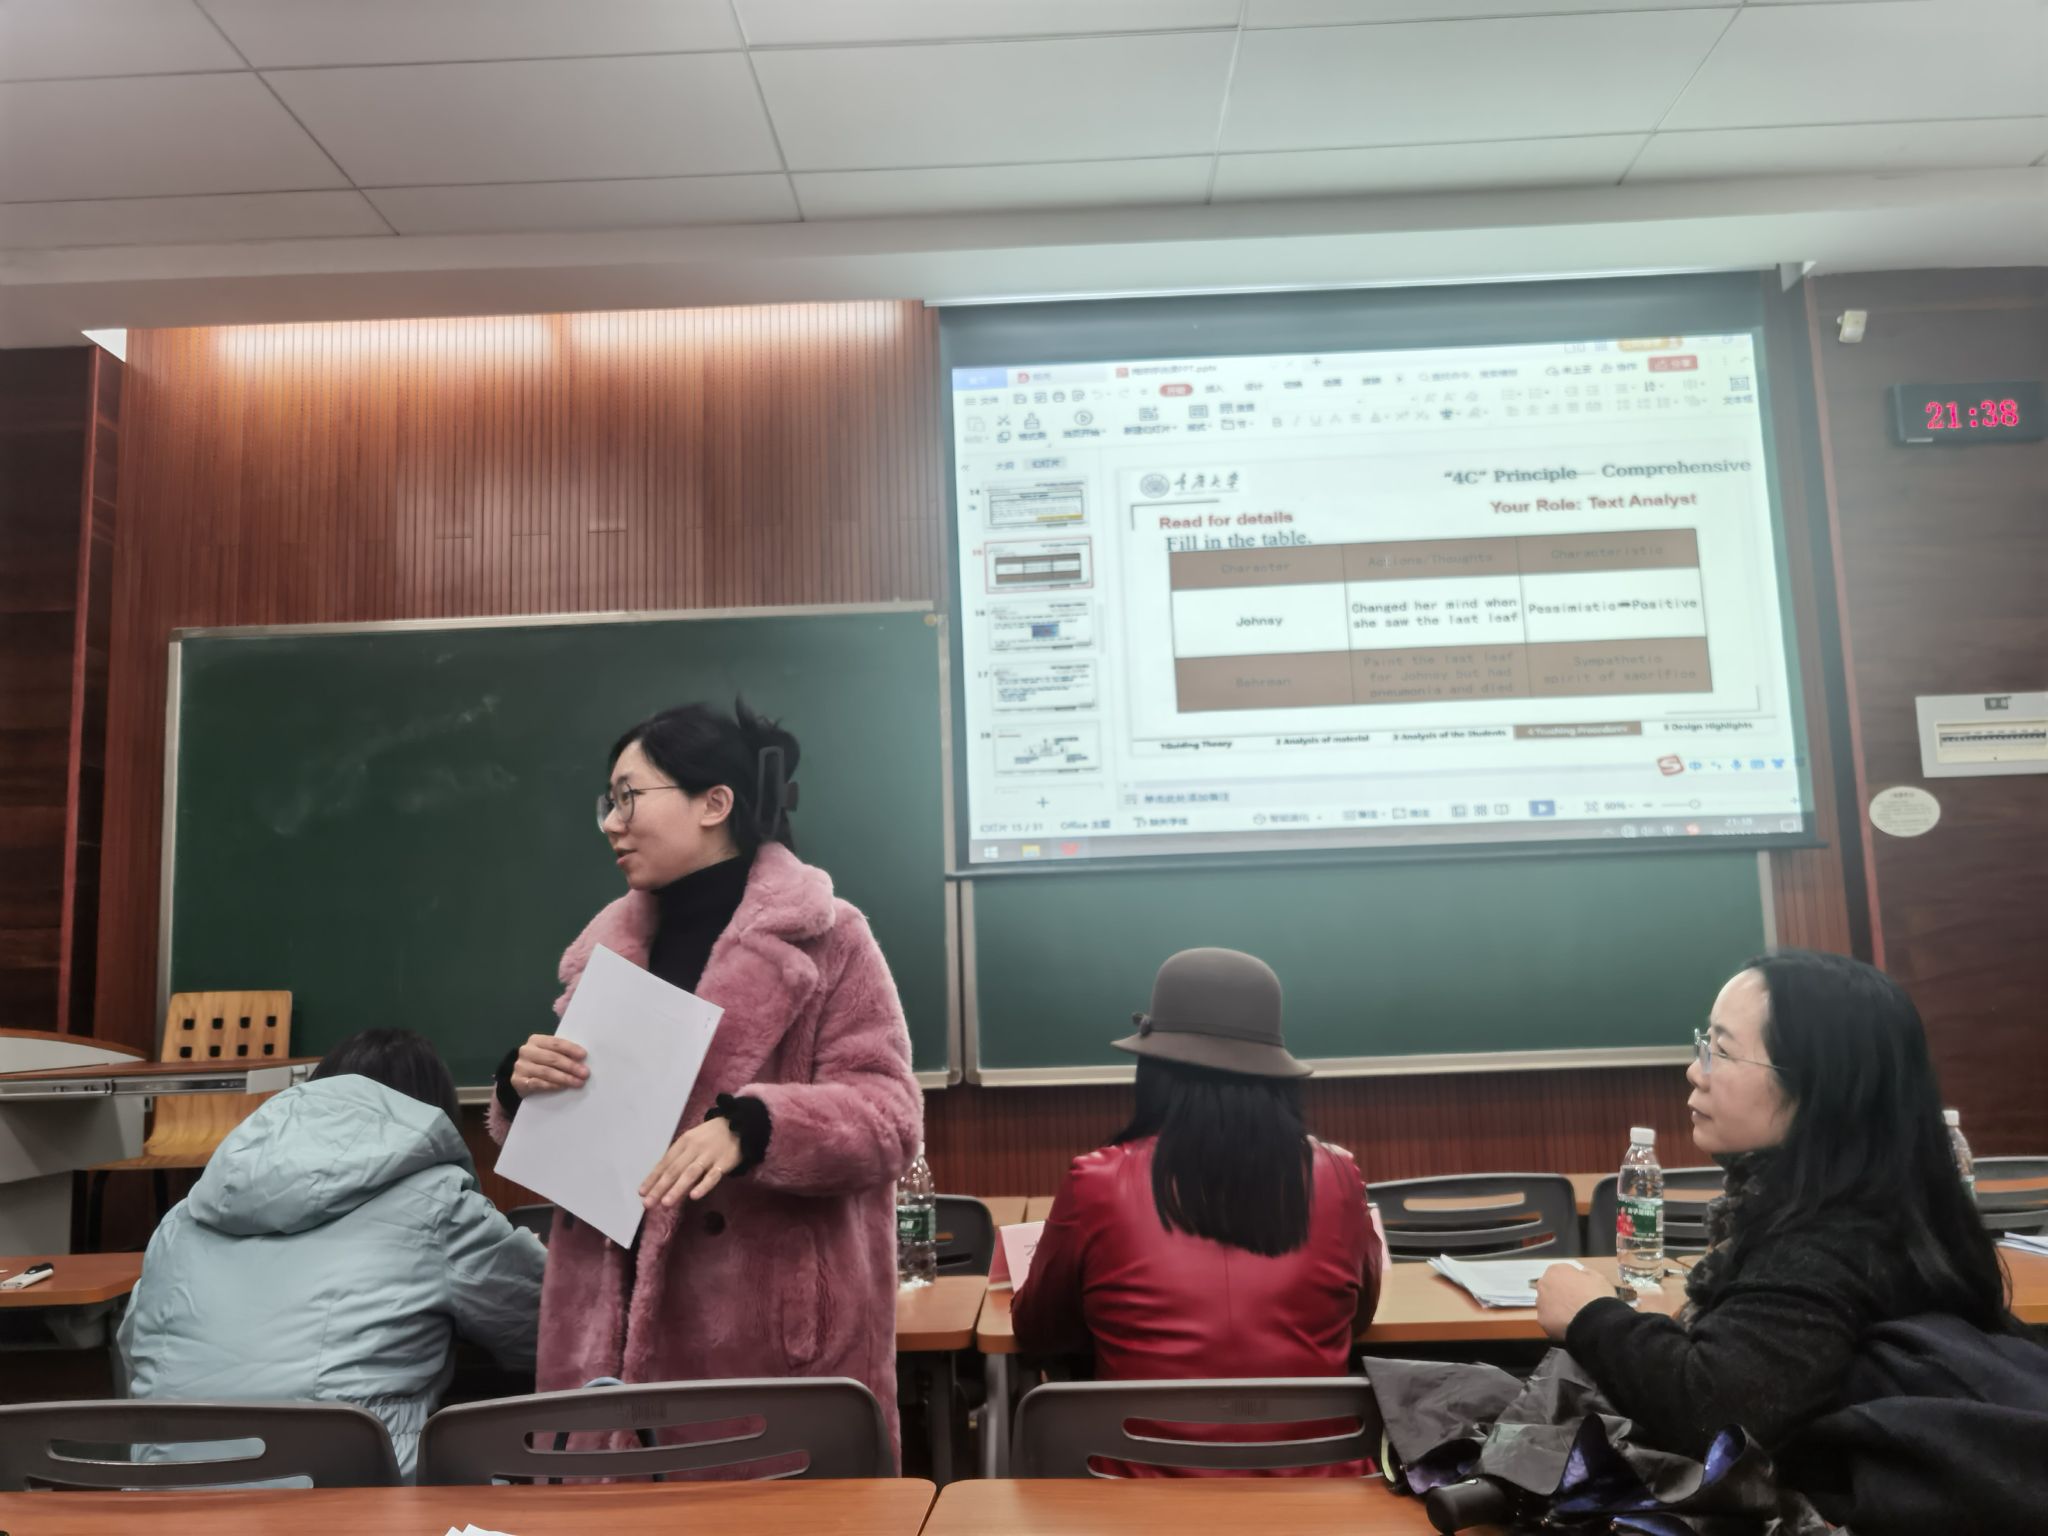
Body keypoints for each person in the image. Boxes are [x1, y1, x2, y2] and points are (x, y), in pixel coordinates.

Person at [490, 698, 920, 1464]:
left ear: (714, 803)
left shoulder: (829, 938)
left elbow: (888, 1118)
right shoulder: (609, 952)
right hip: (603, 1343)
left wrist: (755, 1127)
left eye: (629, 797)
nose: (611, 823)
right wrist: (523, 1088)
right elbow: (589, 1135)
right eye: (607, 802)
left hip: (763, 1352)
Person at [1535, 949, 2014, 1460]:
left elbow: (1716, 1416)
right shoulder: (1894, 1202)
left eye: (1723, 1052)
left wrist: (1591, 1315)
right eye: (1704, 1045)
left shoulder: (1829, 1241)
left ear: (1818, 1086)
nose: (1696, 1071)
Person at [1013, 948, 1382, 1477]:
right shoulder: (1338, 1175)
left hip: (1134, 1494)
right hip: (1322, 1495)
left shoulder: (1097, 1181)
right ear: (1276, 1075)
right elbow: (1358, 1316)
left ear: (1155, 1070)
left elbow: (1038, 1329)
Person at [118, 1029, 546, 1479]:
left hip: (167, 1497)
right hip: (347, 1498)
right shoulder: (439, 1203)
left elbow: (137, 1348)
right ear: (430, 1109)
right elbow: (542, 1331)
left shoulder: (186, 1214)